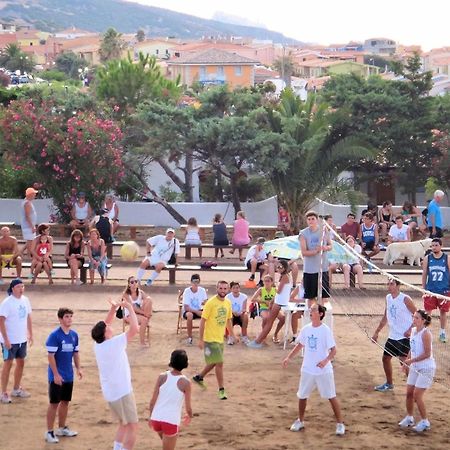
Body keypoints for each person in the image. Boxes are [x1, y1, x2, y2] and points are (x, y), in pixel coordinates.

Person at [282, 303, 345, 436]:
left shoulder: (325, 330)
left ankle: (340, 423)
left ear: (320, 314)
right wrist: (288, 358)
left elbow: (334, 350)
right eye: (311, 310)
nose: (311, 311)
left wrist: (325, 361)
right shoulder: (306, 329)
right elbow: (300, 345)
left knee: (331, 396)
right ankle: (300, 420)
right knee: (302, 395)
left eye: (314, 310)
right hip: (308, 369)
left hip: (324, 370)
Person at [91, 297, 139, 450]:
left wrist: (113, 309)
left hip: (111, 392)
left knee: (123, 424)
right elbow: (135, 329)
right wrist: (130, 308)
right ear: (105, 333)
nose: (110, 326)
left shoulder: (98, 345)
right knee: (132, 426)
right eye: (107, 327)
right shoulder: (114, 343)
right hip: (122, 391)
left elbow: (106, 324)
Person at [45, 308, 82, 443]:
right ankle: (49, 432)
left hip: (68, 375)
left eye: (71, 316)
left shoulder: (74, 335)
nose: (69, 319)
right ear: (60, 319)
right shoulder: (54, 336)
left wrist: (78, 368)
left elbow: (75, 353)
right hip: (57, 376)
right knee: (54, 403)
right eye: (67, 317)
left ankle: (61, 427)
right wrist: (55, 374)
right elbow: (51, 357)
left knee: (65, 402)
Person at [192, 280, 235, 400]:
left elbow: (228, 320)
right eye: (220, 288)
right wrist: (201, 339)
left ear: (228, 290)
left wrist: (232, 334)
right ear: (217, 289)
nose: (223, 291)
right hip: (210, 339)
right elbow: (203, 321)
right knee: (219, 363)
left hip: (219, 338)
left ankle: (199, 377)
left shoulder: (227, 303)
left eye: (225, 289)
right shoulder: (210, 303)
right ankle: (221, 390)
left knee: (214, 362)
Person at [372, 279, 416, 392]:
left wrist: (410, 329)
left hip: (404, 337)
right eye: (388, 284)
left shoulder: (405, 299)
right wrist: (377, 332)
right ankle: (389, 384)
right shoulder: (388, 298)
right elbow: (386, 316)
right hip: (393, 335)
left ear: (398, 285)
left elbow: (418, 315)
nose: (389, 286)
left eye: (391, 284)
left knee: (404, 362)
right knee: (385, 358)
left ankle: (414, 388)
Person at [398, 310, 435, 433]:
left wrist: (411, 361)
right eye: (414, 317)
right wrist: (406, 362)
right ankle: (409, 418)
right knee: (409, 393)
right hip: (415, 366)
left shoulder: (426, 334)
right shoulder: (413, 331)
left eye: (417, 318)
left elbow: (427, 354)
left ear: (423, 321)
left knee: (417, 395)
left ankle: (425, 421)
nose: (414, 320)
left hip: (426, 368)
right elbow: (412, 348)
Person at [149, 350, 193, 450]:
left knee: (166, 444)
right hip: (170, 421)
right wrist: (190, 416)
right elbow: (188, 408)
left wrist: (150, 417)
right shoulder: (186, 383)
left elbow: (152, 401)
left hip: (156, 419)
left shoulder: (162, 377)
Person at [0, 279, 33, 404]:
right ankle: (3, 392)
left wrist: (30, 333)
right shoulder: (7, 303)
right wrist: (6, 340)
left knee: (21, 363)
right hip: (10, 340)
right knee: (8, 364)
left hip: (21, 339)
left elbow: (28, 317)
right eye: (19, 286)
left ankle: (16, 388)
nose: (21, 289)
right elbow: (1, 321)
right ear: (13, 288)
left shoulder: (25, 300)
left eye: (22, 286)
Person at [247, 259, 292, 348]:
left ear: (285, 267)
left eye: (280, 267)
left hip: (280, 302)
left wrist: (276, 288)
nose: (278, 268)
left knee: (269, 322)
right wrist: (271, 301)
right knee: (270, 321)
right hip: (279, 301)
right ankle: (261, 339)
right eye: (277, 267)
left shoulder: (285, 277)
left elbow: (279, 291)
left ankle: (258, 341)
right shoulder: (285, 276)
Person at [299, 211, 332, 308]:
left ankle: (320, 315)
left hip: (322, 268)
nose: (311, 221)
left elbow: (330, 246)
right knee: (311, 296)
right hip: (310, 269)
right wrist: (315, 251)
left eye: (313, 219)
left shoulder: (323, 231)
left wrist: (324, 248)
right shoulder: (303, 234)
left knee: (323, 297)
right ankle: (311, 314)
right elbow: (304, 252)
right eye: (309, 219)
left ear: (317, 220)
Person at [422, 238, 450, 343]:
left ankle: (442, 332)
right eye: (432, 245)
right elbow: (424, 274)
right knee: (428, 312)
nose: (434, 247)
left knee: (443, 312)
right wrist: (423, 288)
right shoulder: (427, 258)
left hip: (444, 290)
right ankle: (426, 332)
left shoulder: (447, 258)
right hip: (431, 289)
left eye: (436, 245)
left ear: (441, 246)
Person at [248, 275, 285, 343]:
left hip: (274, 308)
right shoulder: (261, 289)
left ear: (271, 282)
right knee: (266, 318)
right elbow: (253, 299)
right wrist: (264, 301)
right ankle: (263, 335)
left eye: (268, 281)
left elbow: (281, 298)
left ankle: (276, 334)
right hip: (264, 308)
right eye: (265, 281)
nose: (266, 283)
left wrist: (273, 303)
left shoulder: (275, 290)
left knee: (283, 318)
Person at [121, 276, 153, 347]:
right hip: (129, 314)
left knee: (149, 299)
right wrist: (145, 313)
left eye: (136, 281)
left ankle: (147, 318)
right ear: (129, 284)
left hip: (139, 313)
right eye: (132, 282)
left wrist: (146, 311)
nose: (134, 283)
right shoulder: (126, 294)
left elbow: (147, 302)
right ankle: (142, 342)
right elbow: (132, 308)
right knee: (144, 320)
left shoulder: (140, 292)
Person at [182, 274, 208, 345]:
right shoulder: (187, 291)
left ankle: (207, 336)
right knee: (189, 315)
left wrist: (205, 309)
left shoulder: (202, 290)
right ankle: (190, 337)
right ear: (191, 282)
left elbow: (206, 302)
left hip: (199, 310)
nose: (195, 283)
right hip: (189, 311)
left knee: (209, 314)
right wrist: (197, 312)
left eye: (197, 281)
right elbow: (186, 307)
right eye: (194, 281)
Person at [20, 187, 38, 262]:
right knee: (30, 241)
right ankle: (28, 256)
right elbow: (27, 216)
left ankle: (21, 252)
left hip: (28, 225)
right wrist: (32, 226)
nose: (35, 195)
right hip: (28, 226)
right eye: (34, 194)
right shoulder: (27, 203)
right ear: (30, 194)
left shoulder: (27, 202)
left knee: (30, 241)